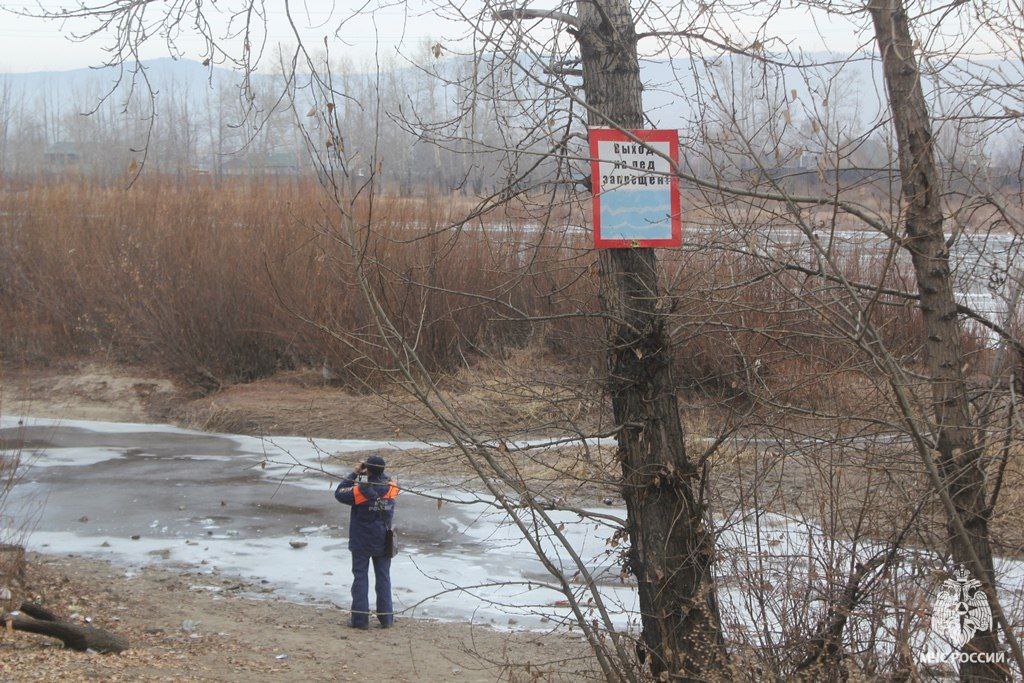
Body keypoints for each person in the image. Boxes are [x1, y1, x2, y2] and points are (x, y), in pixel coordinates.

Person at [334, 454, 399, 629]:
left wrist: (355, 474)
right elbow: (384, 486)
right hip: (384, 537)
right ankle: (386, 618)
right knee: (384, 578)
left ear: (367, 469)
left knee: (360, 577)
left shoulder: (359, 491)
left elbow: (339, 493)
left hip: (361, 539)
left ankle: (360, 619)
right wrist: (369, 474)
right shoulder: (392, 487)